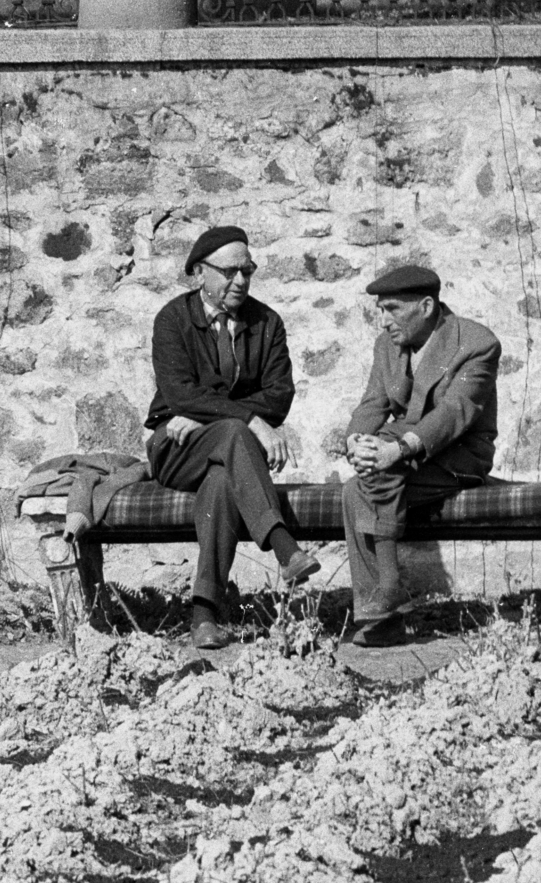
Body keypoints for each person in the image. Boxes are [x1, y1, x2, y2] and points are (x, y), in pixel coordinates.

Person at [145, 225, 322, 650]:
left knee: (223, 481)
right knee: (234, 431)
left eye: (248, 270)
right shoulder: (172, 320)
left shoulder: (267, 323)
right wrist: (250, 422)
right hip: (176, 448)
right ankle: (283, 546)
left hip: (225, 453)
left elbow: (279, 395)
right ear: (199, 273)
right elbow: (178, 393)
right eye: (229, 272)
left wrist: (208, 416)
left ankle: (204, 615)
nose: (240, 281)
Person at [342, 265, 500, 647]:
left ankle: (391, 589)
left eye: (392, 309)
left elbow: (454, 413)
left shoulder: (476, 343)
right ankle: (382, 621)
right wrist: (356, 442)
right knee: (352, 490)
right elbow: (373, 404)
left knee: (372, 476)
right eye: (380, 310)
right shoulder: (388, 346)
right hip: (402, 462)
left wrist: (396, 449)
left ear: (426, 306)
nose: (383, 321)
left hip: (456, 456)